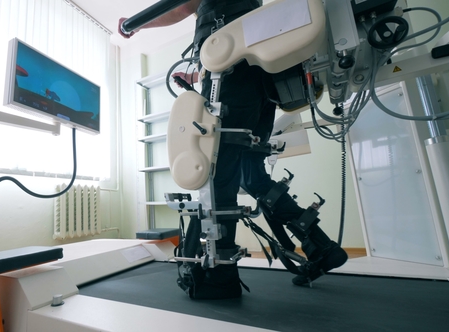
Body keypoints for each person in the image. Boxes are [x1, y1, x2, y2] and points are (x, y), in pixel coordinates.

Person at [119, 0, 347, 298]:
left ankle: (220, 274)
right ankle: (321, 246)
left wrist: (134, 24)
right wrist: (198, 75)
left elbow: (183, 5)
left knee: (218, 171)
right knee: (251, 176)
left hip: (231, 69)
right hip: (260, 80)